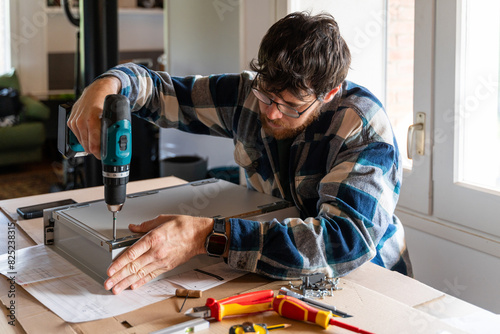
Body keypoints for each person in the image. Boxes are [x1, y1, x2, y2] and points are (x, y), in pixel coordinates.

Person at [68, 12, 412, 295]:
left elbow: (341, 241)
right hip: (278, 276)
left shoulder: (364, 129)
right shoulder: (248, 93)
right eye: (267, 95)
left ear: (329, 93)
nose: (272, 113)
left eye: (292, 106)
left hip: (369, 282)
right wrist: (108, 85)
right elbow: (161, 93)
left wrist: (207, 236)